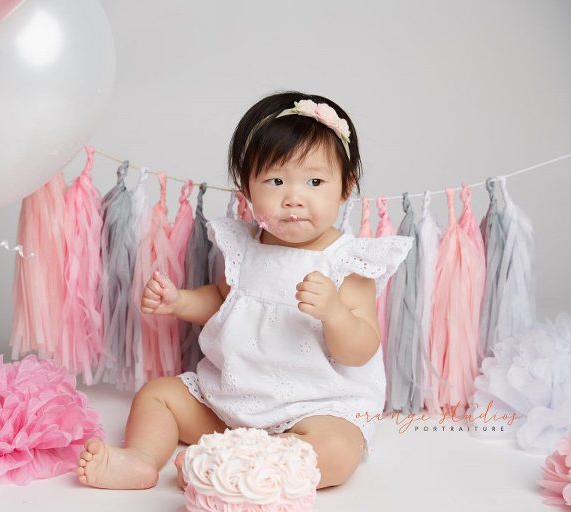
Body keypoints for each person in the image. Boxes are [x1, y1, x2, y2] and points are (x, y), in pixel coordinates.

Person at [77, 91, 412, 490]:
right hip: (232, 396)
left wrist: (335, 314)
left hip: (316, 407)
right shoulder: (247, 248)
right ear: (247, 191)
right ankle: (141, 460)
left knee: (338, 451)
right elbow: (224, 300)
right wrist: (180, 301)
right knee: (158, 395)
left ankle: (235, 464)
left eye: (315, 181)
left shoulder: (348, 263)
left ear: (345, 188)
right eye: (275, 180)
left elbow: (360, 349)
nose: (293, 198)